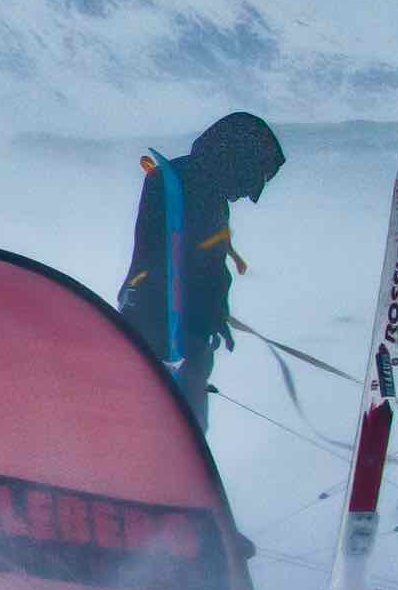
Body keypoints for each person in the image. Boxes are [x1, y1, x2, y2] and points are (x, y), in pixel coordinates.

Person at [121, 112, 285, 419]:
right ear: (236, 161)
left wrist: (214, 314)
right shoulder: (189, 189)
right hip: (159, 341)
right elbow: (178, 264)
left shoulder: (197, 189)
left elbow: (205, 266)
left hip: (167, 339)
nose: (248, 195)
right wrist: (201, 323)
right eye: (251, 179)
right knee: (167, 427)